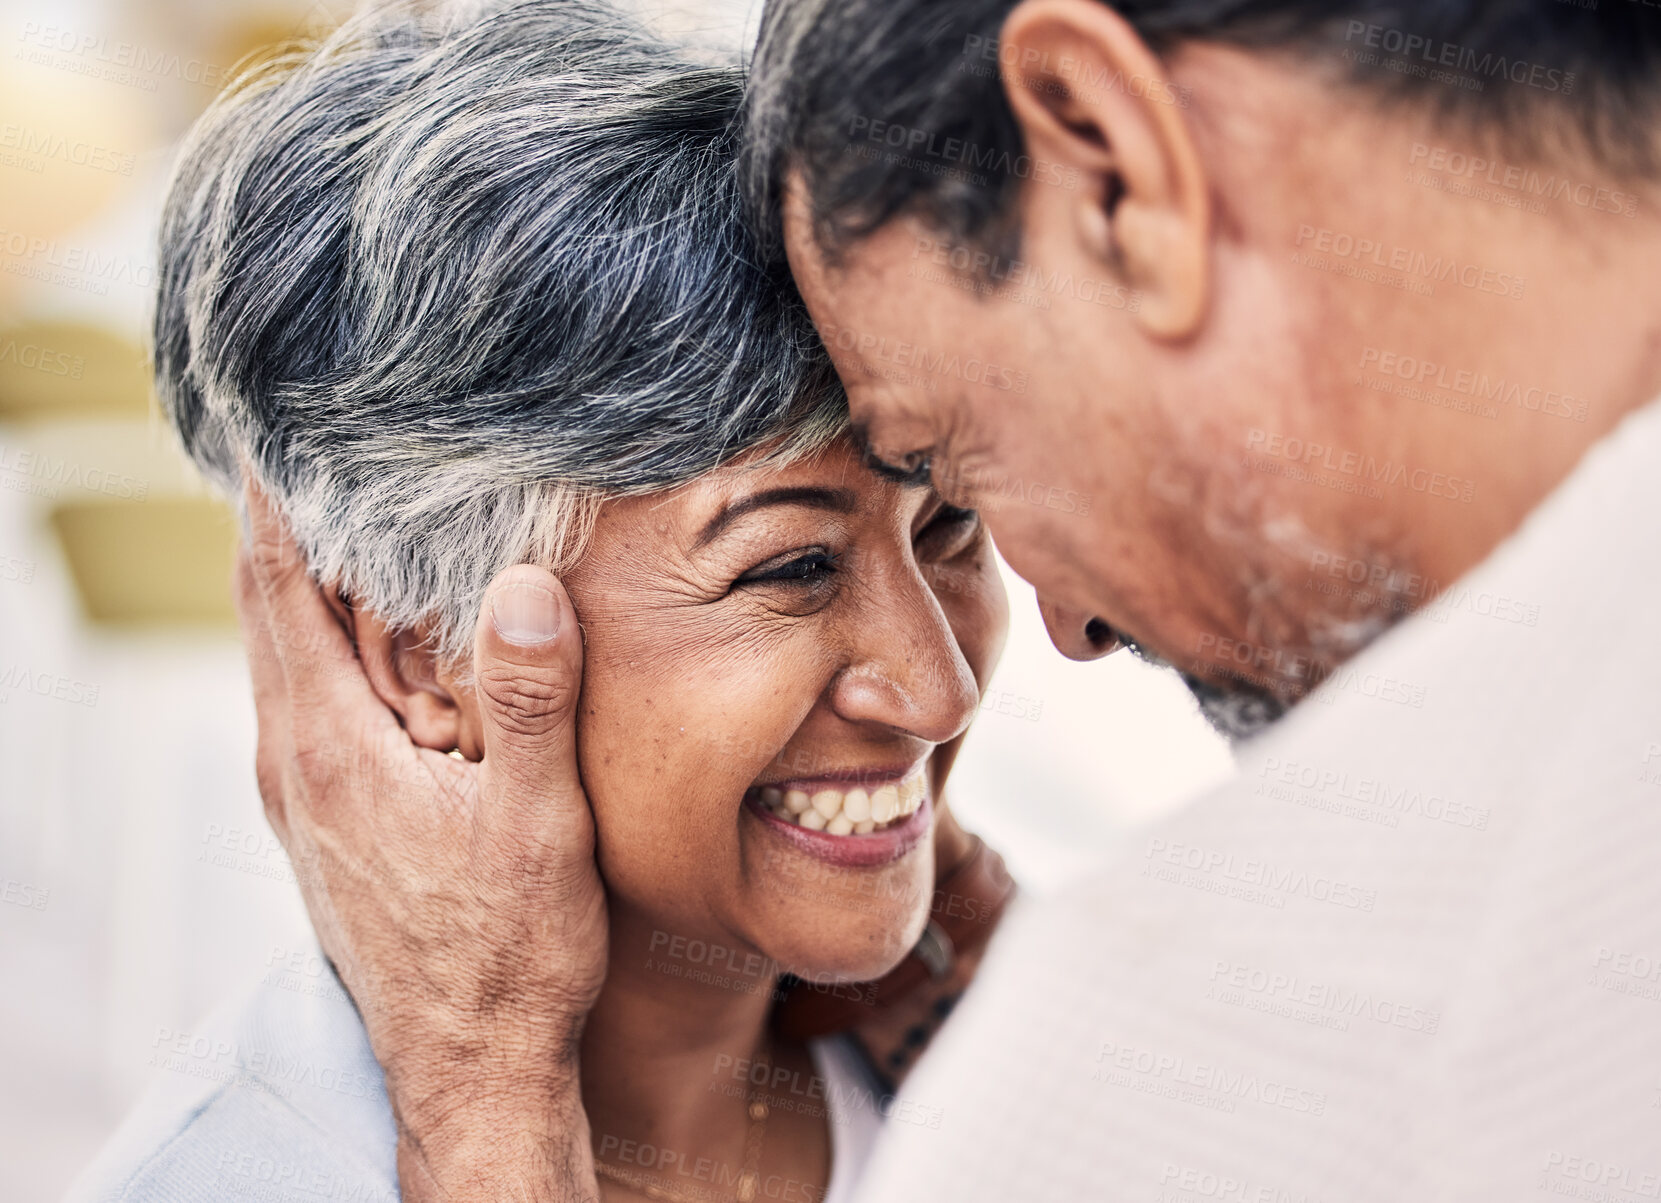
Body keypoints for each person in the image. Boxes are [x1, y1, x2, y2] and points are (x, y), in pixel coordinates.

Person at [197, 0, 1661, 1200]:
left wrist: (488, 1113)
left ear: (1110, 155)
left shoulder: (1254, 1014)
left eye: (962, 491)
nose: (960, 680)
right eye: (787, 562)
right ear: (419, 652)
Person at [69, 4, 1020, 1201]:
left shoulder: (1009, 1055)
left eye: (948, 526)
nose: (938, 691)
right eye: (789, 568)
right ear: (425, 656)